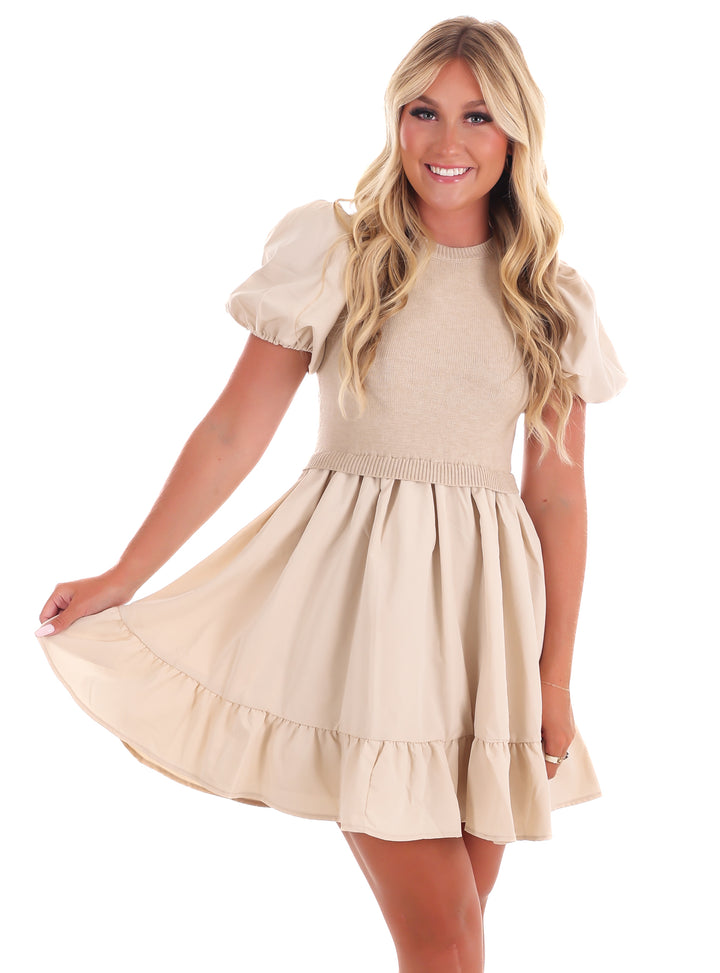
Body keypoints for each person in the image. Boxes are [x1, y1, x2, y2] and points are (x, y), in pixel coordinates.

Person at [35, 16, 627, 973]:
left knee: (460, 929)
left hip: (488, 625)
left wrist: (554, 680)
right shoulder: (340, 252)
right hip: (370, 616)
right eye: (423, 111)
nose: (446, 140)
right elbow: (233, 431)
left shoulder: (550, 300)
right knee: (447, 935)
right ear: (395, 120)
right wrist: (124, 574)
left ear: (517, 131)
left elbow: (557, 497)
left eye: (477, 116)